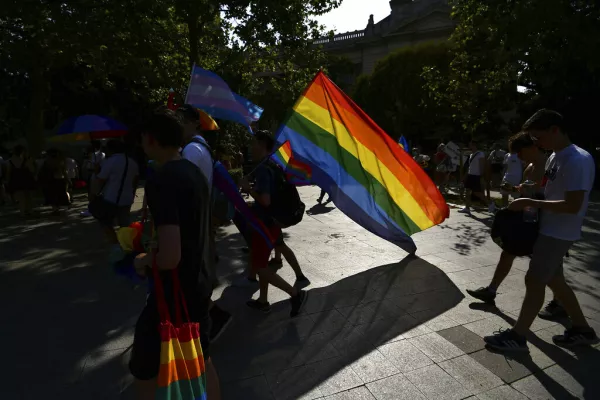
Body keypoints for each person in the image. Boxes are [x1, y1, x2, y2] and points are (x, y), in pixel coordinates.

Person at [483, 109, 599, 352]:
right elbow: (553, 194)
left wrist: (530, 203)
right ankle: (582, 329)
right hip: (548, 228)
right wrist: (531, 196)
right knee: (555, 281)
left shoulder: (577, 159)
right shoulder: (556, 156)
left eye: (537, 137)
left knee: (534, 279)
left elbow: (573, 205)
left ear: (554, 130)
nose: (535, 143)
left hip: (559, 233)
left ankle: (518, 336)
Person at [131, 109, 220, 400]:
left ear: (152, 140)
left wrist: (144, 261)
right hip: (201, 281)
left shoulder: (163, 178)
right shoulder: (194, 171)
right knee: (201, 359)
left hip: (173, 293)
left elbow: (170, 257)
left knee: (145, 367)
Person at [466, 132, 547, 303]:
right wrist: (515, 189)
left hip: (544, 222)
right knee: (508, 252)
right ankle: (491, 290)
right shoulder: (530, 167)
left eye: (520, 153)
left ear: (531, 147)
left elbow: (550, 196)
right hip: (527, 219)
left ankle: (562, 304)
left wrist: (529, 193)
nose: (518, 157)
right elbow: (526, 191)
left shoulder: (548, 166)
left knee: (549, 269)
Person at [176, 104, 233, 343]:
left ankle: (212, 321)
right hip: (200, 218)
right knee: (193, 276)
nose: (176, 126)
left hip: (192, 221)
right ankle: (211, 318)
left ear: (192, 123)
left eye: (180, 121)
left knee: (190, 277)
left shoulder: (191, 151)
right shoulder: (200, 148)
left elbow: (184, 189)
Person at [239, 131, 309, 316]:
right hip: (272, 222)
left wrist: (248, 189)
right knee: (261, 262)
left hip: (265, 222)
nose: (250, 147)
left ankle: (295, 294)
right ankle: (263, 300)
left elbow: (266, 201)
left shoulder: (263, 169)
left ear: (262, 145)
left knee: (260, 266)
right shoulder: (273, 165)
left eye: (253, 143)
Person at [91, 140, 139, 244]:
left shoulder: (110, 162)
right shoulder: (132, 162)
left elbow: (100, 179)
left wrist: (96, 171)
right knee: (124, 222)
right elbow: (135, 181)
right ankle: (127, 244)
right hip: (127, 197)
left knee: (105, 221)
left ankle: (115, 242)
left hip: (111, 197)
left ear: (110, 149)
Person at [458, 140, 496, 214]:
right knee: (467, 191)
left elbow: (482, 165)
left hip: (476, 176)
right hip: (470, 175)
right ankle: (467, 207)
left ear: (474, 145)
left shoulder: (480, 154)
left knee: (477, 192)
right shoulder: (471, 155)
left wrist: (481, 175)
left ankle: (490, 203)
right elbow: (470, 167)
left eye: (470, 145)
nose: (469, 147)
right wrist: (465, 176)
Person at [6, 145, 37, 217]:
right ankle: (30, 211)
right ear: (23, 152)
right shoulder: (26, 160)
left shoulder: (10, 161)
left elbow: (8, 173)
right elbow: (32, 170)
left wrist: (7, 182)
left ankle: (22, 212)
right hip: (26, 180)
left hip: (16, 181)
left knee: (21, 198)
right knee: (28, 197)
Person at [39, 149, 70, 215]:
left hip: (51, 180)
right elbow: (64, 171)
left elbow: (43, 171)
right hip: (60, 179)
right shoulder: (61, 161)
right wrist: (67, 179)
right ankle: (62, 206)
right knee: (61, 193)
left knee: (53, 194)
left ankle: (55, 208)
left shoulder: (47, 162)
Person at [499, 141, 524, 207]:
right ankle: (505, 210)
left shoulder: (519, 155)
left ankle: (515, 212)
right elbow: (505, 167)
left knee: (516, 198)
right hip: (507, 178)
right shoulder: (507, 155)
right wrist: (502, 177)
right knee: (504, 195)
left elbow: (523, 167)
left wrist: (522, 179)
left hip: (516, 179)